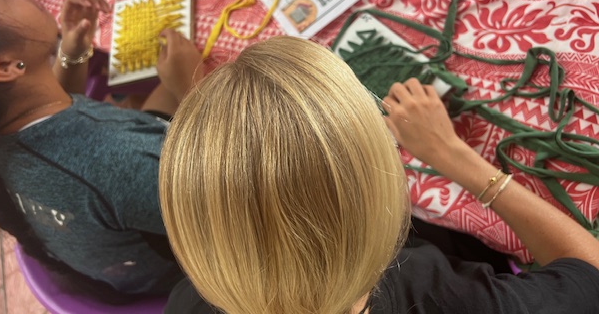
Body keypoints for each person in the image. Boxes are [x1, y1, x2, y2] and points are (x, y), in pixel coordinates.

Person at [158, 36, 599, 314]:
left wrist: (208, 119)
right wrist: (451, 154)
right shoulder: (434, 292)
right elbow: (589, 272)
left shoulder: (188, 304)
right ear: (384, 198)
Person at [0, 0, 204, 299]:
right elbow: (247, 191)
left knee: (170, 74)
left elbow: (58, 124)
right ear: (4, 66)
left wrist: (72, 56)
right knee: (204, 70)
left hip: (141, 215)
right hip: (202, 243)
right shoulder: (121, 163)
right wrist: (195, 88)